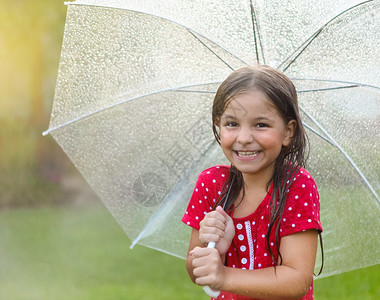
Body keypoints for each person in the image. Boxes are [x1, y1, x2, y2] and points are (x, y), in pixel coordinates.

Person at [182, 65, 323, 300]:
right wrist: (212, 248)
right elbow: (196, 272)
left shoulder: (296, 185)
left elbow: (297, 280)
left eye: (261, 125)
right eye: (232, 124)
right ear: (219, 125)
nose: (244, 138)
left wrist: (224, 276)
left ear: (288, 132)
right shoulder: (211, 184)